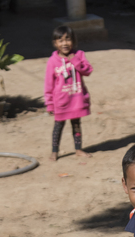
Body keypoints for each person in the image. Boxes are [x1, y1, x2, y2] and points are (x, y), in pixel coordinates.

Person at [44, 26, 93, 161]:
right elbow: (48, 84)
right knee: (58, 126)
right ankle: (55, 151)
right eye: (60, 40)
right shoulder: (52, 61)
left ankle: (78, 149)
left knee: (76, 124)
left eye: (68, 39)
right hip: (61, 102)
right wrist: (49, 104)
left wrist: (75, 61)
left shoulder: (79, 55)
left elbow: (88, 71)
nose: (64, 43)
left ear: (73, 41)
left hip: (76, 99)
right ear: (55, 43)